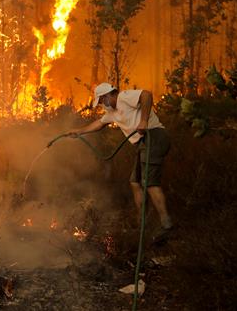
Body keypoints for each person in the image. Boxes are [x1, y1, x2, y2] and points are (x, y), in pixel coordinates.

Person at [68, 82, 174, 240]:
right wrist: (79, 132)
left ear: (108, 95)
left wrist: (144, 121)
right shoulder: (112, 112)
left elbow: (146, 94)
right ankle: (142, 223)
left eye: (103, 100)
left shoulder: (124, 97)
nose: (103, 104)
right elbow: (99, 124)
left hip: (154, 136)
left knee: (149, 183)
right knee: (135, 182)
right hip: (143, 143)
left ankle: (166, 224)